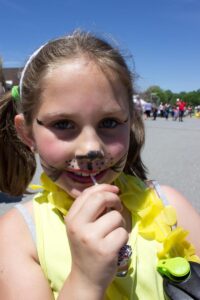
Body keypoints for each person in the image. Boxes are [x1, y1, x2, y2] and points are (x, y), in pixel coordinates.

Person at [0, 31, 200, 300]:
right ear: (27, 134)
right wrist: (85, 280)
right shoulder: (16, 236)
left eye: (109, 122)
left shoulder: (171, 207)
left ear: (130, 123)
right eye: (63, 124)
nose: (90, 150)